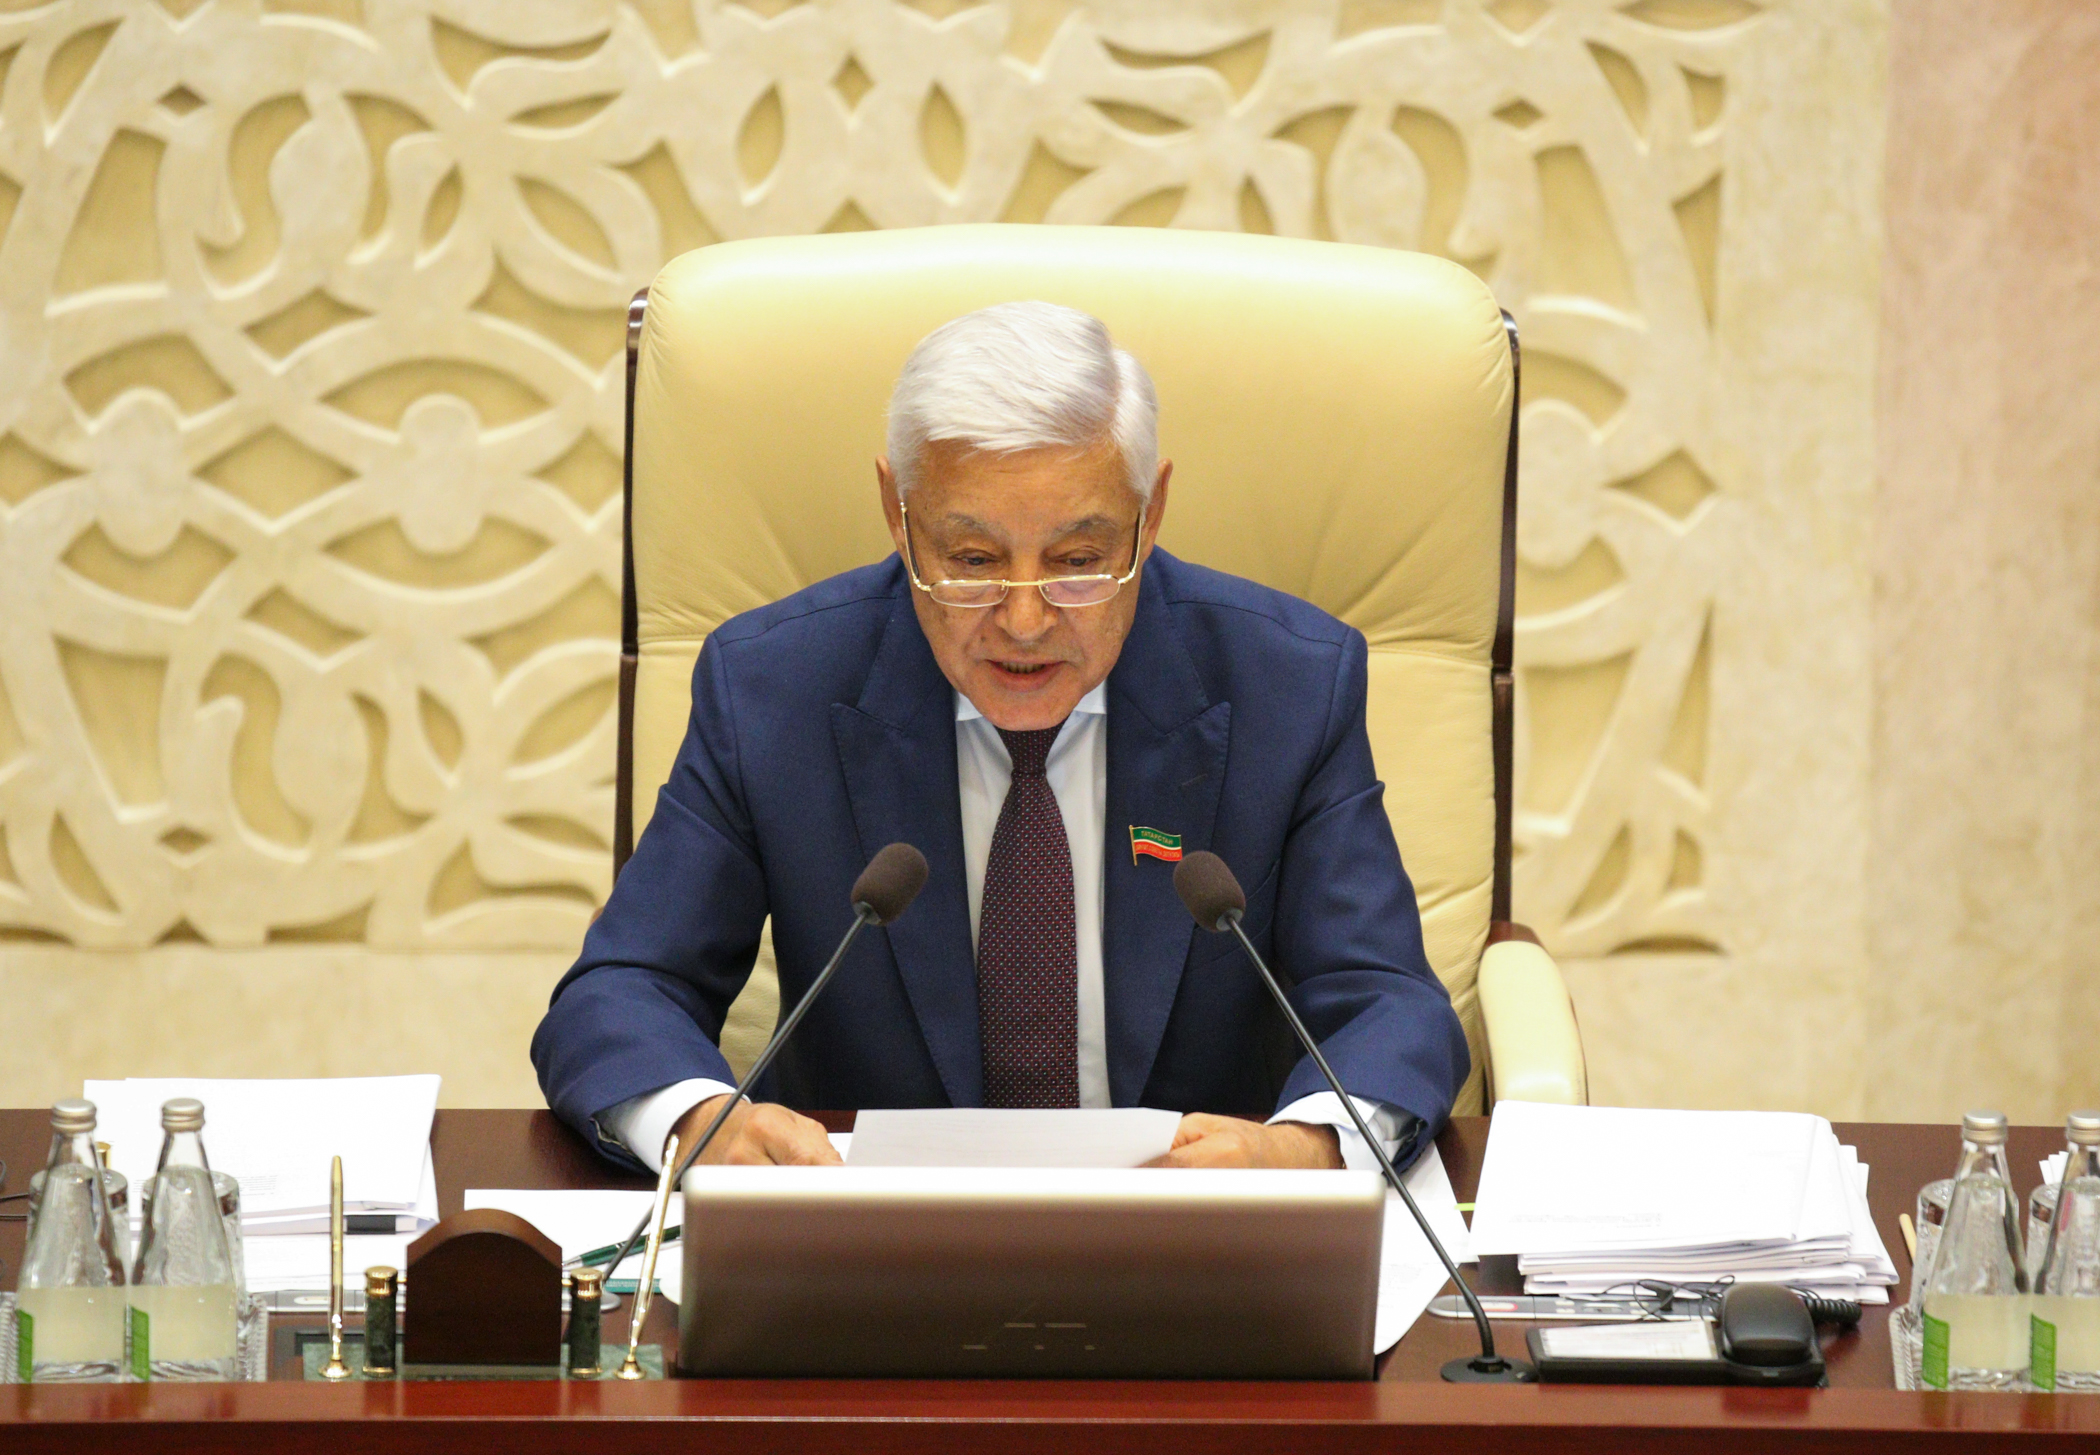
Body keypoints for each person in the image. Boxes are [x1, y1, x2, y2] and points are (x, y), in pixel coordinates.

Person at [531, 300, 1468, 1174]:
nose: (1024, 619)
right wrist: (700, 1120)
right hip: (869, 1244)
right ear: (898, 514)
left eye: (1079, 559)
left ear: (1151, 514)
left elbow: (1391, 1006)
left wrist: (1307, 1150)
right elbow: (620, 993)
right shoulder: (772, 689)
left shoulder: (1287, 687)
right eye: (973, 560)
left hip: (1192, 1240)